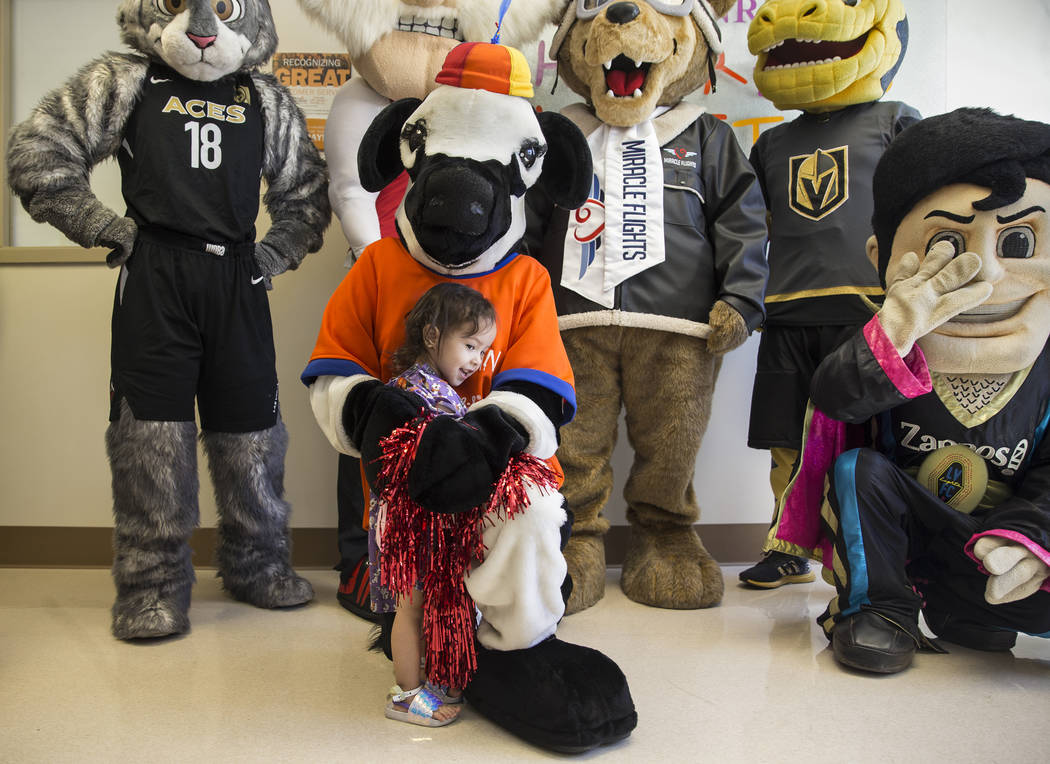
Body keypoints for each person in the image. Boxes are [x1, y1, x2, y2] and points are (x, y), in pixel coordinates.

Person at [768, 107, 1050, 674]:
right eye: (948, 242)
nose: (987, 274)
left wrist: (1029, 538)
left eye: (1019, 241)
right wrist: (893, 333)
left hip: (997, 547)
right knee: (859, 469)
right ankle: (878, 609)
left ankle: (969, 609)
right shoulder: (885, 341)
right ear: (882, 258)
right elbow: (835, 397)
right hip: (902, 539)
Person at [739, 0, 920, 588]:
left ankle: (874, 552)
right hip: (788, 311)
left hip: (869, 310)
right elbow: (751, 223)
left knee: (867, 440)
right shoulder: (770, 145)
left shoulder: (895, 119)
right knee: (786, 440)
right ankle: (788, 545)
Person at [372, 283, 497, 727]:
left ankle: (428, 675)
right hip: (410, 523)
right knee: (410, 604)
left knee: (430, 600)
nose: (476, 360)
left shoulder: (439, 391)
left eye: (482, 351)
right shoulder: (410, 392)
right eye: (469, 345)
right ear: (431, 336)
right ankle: (404, 694)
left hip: (428, 521)